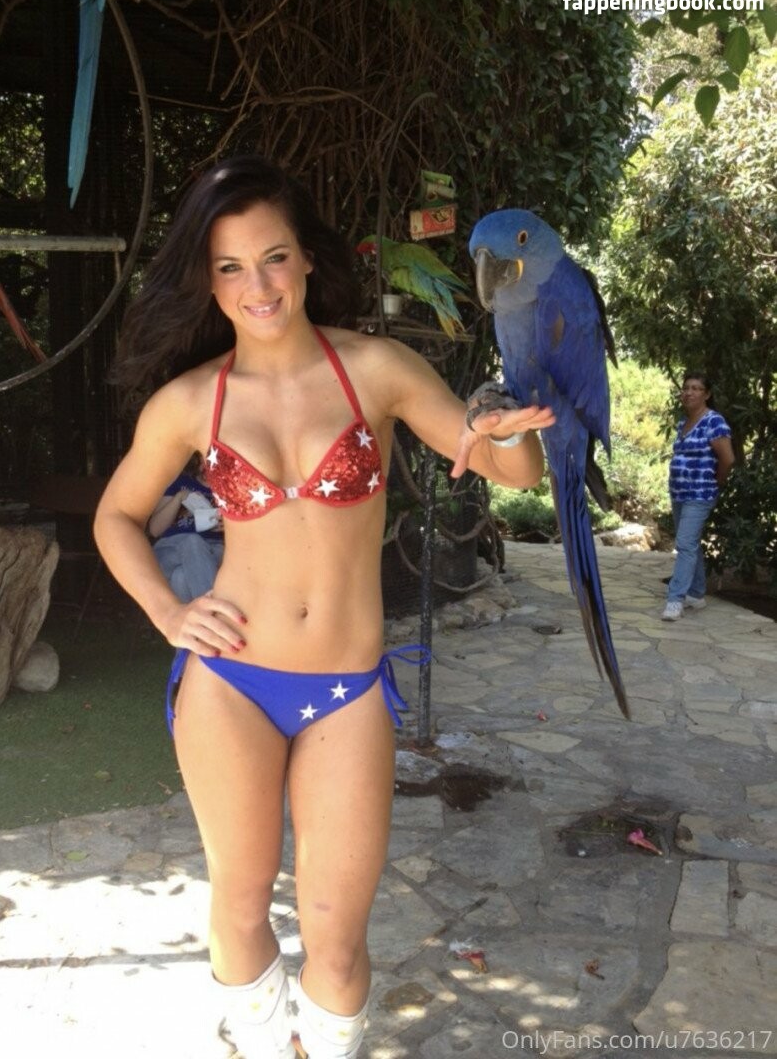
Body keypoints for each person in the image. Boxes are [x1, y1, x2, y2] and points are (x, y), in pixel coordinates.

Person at [93, 155, 553, 1059]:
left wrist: (503, 437)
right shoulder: (190, 402)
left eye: (274, 258)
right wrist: (167, 612)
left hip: (346, 688)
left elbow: (509, 469)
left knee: (338, 939)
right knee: (240, 899)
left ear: (305, 257)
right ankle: (260, 1041)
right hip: (230, 683)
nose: (258, 286)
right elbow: (115, 517)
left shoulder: (376, 370)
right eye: (230, 267)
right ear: (208, 281)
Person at [661, 372, 734, 622]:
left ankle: (675, 600)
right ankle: (696, 593)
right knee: (690, 542)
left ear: (707, 394)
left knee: (684, 543)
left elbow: (728, 459)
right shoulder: (684, 422)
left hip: (699, 494)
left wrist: (717, 481)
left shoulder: (714, 421)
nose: (689, 392)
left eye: (696, 388)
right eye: (686, 388)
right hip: (679, 493)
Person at [149, 452, 225, 602]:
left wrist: (230, 527)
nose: (206, 466)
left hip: (214, 548)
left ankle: (196, 615)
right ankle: (213, 610)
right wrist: (179, 497)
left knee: (181, 577)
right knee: (192, 541)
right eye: (203, 460)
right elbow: (155, 530)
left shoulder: (228, 490)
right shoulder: (180, 482)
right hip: (170, 548)